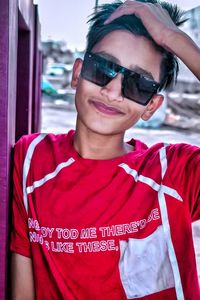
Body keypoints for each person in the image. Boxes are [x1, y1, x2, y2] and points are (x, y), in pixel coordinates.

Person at [10, 0, 200, 299]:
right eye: (103, 68)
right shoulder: (31, 159)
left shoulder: (175, 172)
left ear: (151, 106)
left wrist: (172, 38)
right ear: (77, 73)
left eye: (138, 84)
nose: (112, 91)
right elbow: (24, 278)